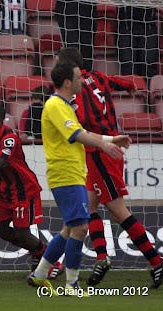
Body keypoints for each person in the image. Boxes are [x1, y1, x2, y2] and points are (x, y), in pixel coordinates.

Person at [57, 47, 163, 288]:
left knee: (117, 211)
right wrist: (130, 86)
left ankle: (156, 261)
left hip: (102, 152)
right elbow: (119, 82)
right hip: (105, 150)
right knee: (89, 206)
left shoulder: (77, 91)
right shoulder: (99, 77)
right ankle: (102, 258)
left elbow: (81, 123)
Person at [27, 61, 131, 296]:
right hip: (64, 174)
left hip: (71, 173)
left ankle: (40, 274)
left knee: (69, 228)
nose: (82, 81)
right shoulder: (55, 105)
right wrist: (105, 145)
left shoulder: (63, 105)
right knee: (80, 228)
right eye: (77, 78)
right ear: (66, 82)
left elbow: (81, 132)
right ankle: (71, 284)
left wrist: (112, 139)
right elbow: (77, 135)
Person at [0, 103, 64, 278]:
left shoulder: (9, 138)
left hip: (23, 190)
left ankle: (51, 259)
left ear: (0, 121)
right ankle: (38, 252)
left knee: (22, 233)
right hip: (4, 190)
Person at [117, 6, 159, 81]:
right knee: (127, 66)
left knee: (149, 64)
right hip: (126, 24)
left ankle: (148, 91)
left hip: (148, 24)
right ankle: (131, 90)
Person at [55, 0, 96, 71]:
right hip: (67, 11)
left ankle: (86, 78)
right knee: (71, 51)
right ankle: (73, 78)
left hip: (88, 11)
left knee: (87, 50)